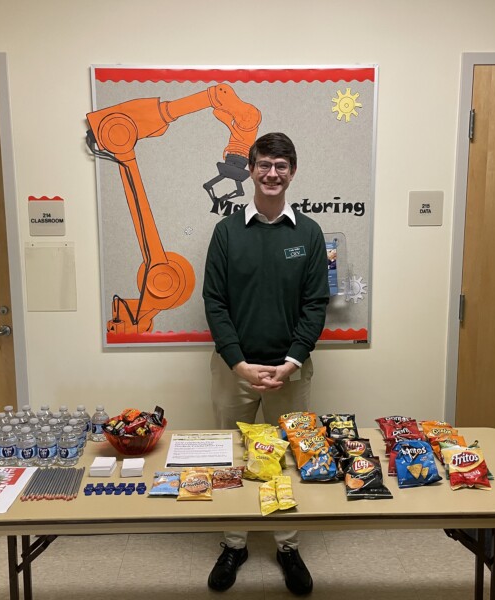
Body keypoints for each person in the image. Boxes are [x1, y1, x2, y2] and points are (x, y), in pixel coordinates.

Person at [203, 132, 329, 595]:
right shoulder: (227, 231)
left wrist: (292, 362)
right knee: (233, 458)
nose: (272, 173)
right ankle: (233, 543)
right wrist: (238, 364)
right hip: (234, 370)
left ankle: (288, 546)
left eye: (281, 165)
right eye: (264, 165)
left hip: (289, 371)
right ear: (251, 171)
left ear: (292, 172)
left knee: (290, 458)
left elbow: (316, 304)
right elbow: (214, 302)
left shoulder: (309, 234)